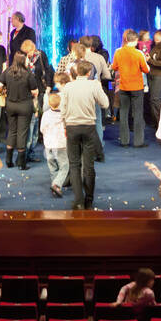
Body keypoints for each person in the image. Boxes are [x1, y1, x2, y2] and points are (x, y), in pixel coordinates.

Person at [60, 60, 109, 210]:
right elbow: (105, 104)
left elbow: (63, 110)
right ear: (89, 73)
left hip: (72, 127)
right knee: (89, 166)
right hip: (89, 127)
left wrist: (65, 125)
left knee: (74, 165)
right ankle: (89, 199)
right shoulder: (94, 85)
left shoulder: (68, 87)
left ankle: (78, 200)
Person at [110, 30, 149, 149]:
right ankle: (138, 142)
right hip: (137, 87)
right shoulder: (138, 53)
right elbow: (146, 70)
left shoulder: (118, 52)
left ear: (126, 39)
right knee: (137, 114)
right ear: (136, 40)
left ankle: (124, 141)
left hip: (123, 86)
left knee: (124, 113)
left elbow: (114, 67)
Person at [42, 88, 70, 197]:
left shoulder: (45, 114)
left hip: (48, 144)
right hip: (60, 144)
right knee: (64, 166)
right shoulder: (63, 115)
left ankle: (55, 185)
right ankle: (57, 184)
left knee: (52, 165)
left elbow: (42, 128)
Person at [146, 29, 161, 129]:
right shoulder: (154, 47)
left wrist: (149, 60)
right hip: (151, 75)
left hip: (159, 76)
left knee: (154, 98)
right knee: (152, 99)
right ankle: (157, 122)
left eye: (159, 36)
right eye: (155, 35)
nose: (156, 37)